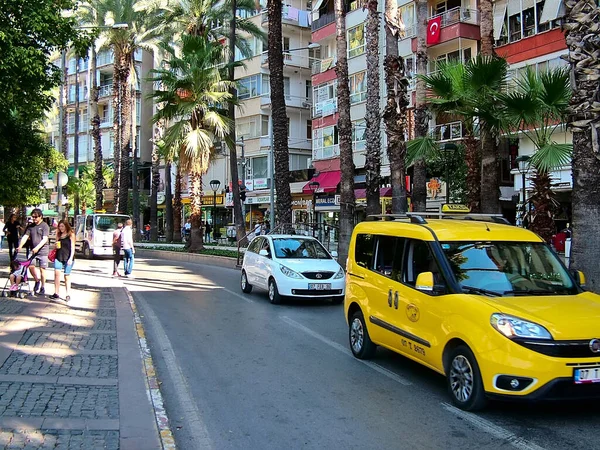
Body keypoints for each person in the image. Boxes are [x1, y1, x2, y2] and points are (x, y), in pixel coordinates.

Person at [16, 209, 50, 296]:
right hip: (33, 251)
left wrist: (37, 248)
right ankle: (37, 280)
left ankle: (43, 286)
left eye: (35, 217)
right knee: (30, 266)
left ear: (40, 216)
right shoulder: (31, 226)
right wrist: (20, 246)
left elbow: (45, 239)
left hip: (43, 251)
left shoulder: (45, 226)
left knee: (42, 269)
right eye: (33, 217)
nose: (34, 218)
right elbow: (25, 236)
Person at [49, 220, 75, 302]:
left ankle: (68, 294)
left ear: (66, 226)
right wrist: (55, 246)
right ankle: (56, 293)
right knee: (57, 274)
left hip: (68, 257)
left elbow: (72, 247)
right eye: (60, 226)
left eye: (62, 226)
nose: (61, 228)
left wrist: (70, 258)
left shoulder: (71, 234)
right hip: (59, 256)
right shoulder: (58, 234)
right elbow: (56, 245)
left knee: (66, 276)